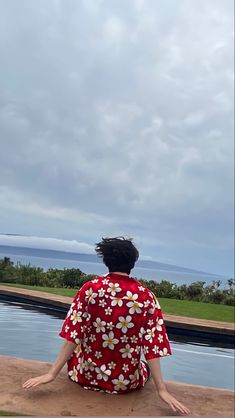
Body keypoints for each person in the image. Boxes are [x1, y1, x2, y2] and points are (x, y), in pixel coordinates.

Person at [23, 237, 190, 415]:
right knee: (143, 365)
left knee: (81, 350)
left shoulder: (90, 289)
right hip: (124, 383)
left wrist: (51, 374)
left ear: (106, 261)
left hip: (84, 375)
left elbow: (73, 335)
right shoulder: (146, 297)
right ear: (133, 263)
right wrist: (161, 390)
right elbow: (151, 346)